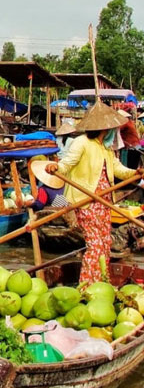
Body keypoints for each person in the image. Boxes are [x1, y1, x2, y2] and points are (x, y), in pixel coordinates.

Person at [46, 102, 141, 283]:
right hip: (86, 200)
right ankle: (86, 286)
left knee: (105, 244)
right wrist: (55, 166)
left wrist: (135, 174)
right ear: (105, 128)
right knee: (95, 245)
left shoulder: (105, 148)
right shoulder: (81, 143)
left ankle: (101, 282)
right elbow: (67, 164)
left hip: (104, 202)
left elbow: (118, 169)